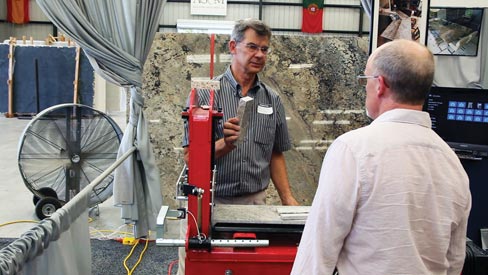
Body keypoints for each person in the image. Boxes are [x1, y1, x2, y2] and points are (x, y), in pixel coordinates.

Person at [291, 39, 471, 275]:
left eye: (365, 79)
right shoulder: (451, 162)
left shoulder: (353, 149)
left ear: (380, 84)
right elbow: (455, 261)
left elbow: (317, 253)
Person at [183, 18, 299, 206]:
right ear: (232, 46)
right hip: (212, 200)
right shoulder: (204, 95)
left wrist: (287, 197)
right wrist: (225, 144)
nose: (259, 55)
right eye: (252, 47)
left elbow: (275, 153)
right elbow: (190, 157)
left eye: (264, 49)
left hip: (256, 201)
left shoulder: (272, 99)